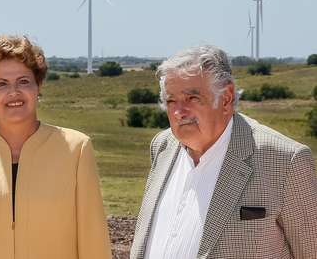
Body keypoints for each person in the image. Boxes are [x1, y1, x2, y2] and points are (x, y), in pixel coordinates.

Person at [130, 45, 317, 259]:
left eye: (192, 98)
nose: (179, 112)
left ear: (226, 98)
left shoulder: (285, 160)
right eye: (171, 100)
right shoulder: (162, 146)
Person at [0, 35, 111, 259]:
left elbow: (93, 242)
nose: (14, 92)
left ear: (38, 87)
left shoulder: (76, 149)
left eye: (24, 81)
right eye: (1, 84)